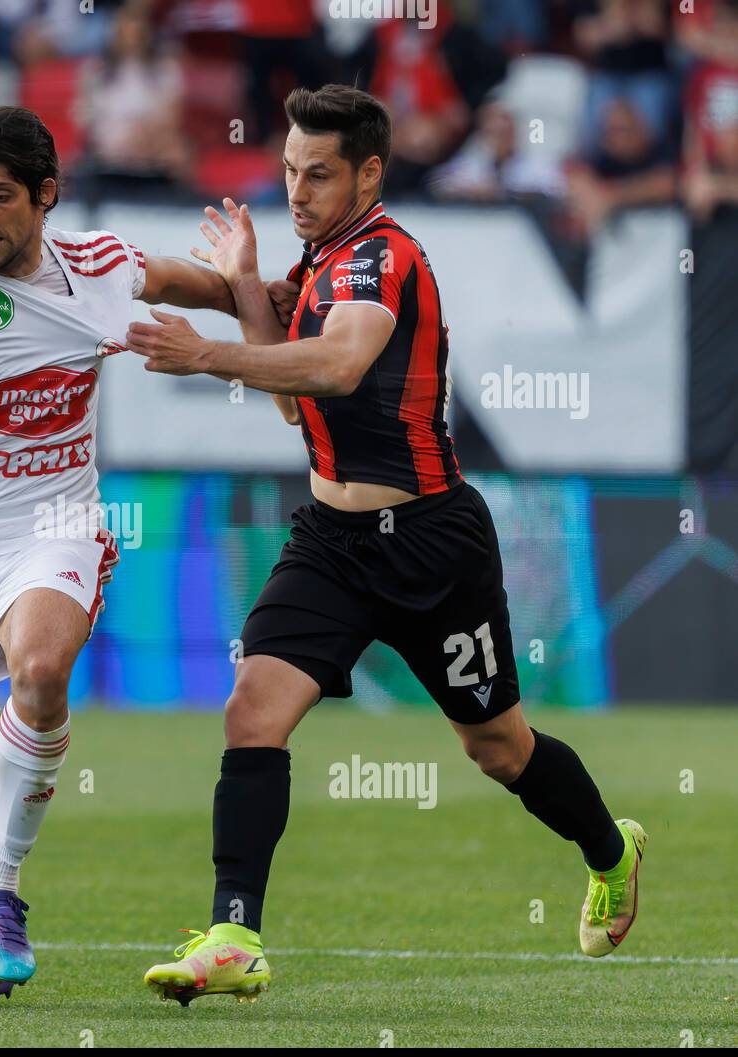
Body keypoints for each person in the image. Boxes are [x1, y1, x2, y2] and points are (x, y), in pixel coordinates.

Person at [127, 85, 646, 1004]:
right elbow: (295, 401)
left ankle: (611, 850)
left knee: (498, 748)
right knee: (252, 710)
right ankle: (234, 933)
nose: (297, 190)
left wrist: (209, 351)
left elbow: (337, 365)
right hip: (331, 542)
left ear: (369, 172)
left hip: (432, 544)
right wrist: (246, 286)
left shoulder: (381, 258)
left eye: (318, 174)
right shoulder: (318, 262)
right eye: (289, 170)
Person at [0, 105, 253, 1009]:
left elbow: (211, 288)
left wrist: (262, 286)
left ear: (45, 196)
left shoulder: (102, 265)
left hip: (55, 521)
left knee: (41, 666)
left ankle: (3, 889)